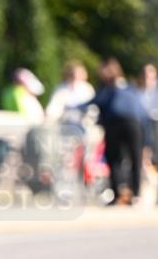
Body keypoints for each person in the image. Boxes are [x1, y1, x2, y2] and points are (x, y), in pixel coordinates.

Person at [86, 58, 150, 205]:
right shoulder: (107, 88)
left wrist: (147, 140)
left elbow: (140, 110)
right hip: (115, 125)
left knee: (135, 158)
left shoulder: (122, 87)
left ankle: (135, 194)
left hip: (130, 123)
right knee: (114, 159)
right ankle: (117, 194)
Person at [45, 60, 95, 125]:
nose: (75, 77)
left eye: (78, 75)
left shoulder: (88, 89)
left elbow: (92, 109)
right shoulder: (61, 89)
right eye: (72, 75)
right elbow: (53, 107)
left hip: (84, 123)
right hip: (64, 123)